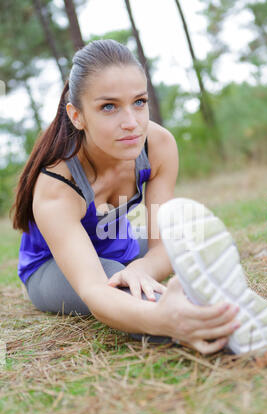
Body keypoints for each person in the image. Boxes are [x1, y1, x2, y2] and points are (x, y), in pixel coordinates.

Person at [11, 39, 253, 355]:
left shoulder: (157, 146)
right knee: (121, 286)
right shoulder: (57, 184)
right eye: (108, 106)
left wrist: (143, 268)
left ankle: (198, 305)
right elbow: (95, 291)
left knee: (196, 238)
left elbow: (161, 240)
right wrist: (163, 319)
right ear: (77, 116)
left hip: (120, 245)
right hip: (51, 268)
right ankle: (203, 328)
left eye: (139, 101)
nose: (131, 123)